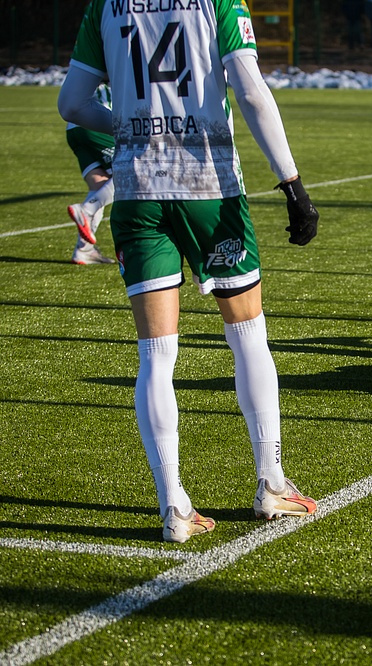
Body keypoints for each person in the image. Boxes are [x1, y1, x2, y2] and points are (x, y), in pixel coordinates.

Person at [58, 1, 321, 543]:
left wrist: (129, 129)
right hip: (208, 185)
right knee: (248, 336)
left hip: (137, 192)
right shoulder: (218, 1)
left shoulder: (105, 5)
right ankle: (271, 483)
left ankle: (173, 506)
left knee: (156, 354)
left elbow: (72, 103)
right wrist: (291, 182)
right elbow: (250, 91)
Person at [64, 82, 115, 265]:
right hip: (98, 121)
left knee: (100, 184)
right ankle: (87, 210)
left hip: (74, 128)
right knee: (131, 173)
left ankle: (84, 250)